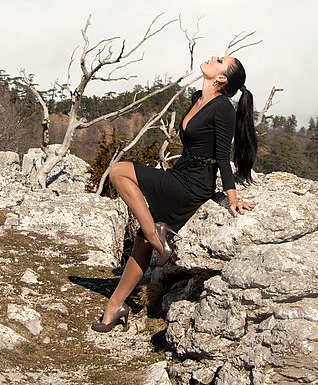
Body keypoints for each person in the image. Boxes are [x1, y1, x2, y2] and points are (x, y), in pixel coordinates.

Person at [91, 54, 258, 332]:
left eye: (218, 60)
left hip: (194, 185)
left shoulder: (224, 109)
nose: (211, 58)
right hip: (179, 174)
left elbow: (221, 155)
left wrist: (232, 197)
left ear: (221, 79)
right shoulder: (197, 98)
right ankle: (115, 306)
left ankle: (159, 239)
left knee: (119, 171)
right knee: (141, 241)